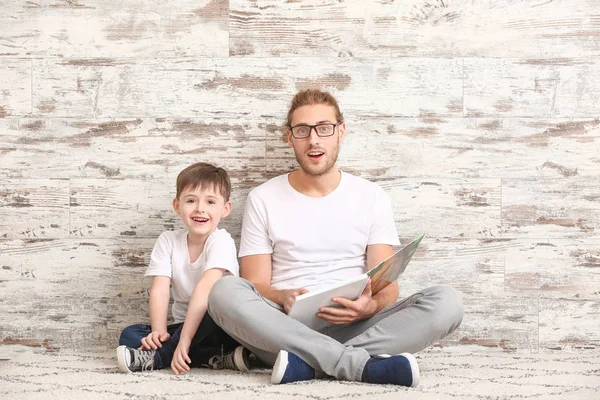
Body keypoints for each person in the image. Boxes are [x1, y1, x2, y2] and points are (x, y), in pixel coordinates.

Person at [207, 89, 464, 387]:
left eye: (324, 128)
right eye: (302, 130)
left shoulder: (371, 196)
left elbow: (387, 285)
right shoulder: (262, 198)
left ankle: (307, 365)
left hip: (357, 323)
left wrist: (371, 305)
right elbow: (256, 284)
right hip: (284, 325)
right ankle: (357, 365)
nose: (314, 139)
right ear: (290, 138)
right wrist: (283, 296)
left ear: (340, 132)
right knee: (224, 291)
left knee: (447, 303)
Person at [116, 162, 250, 374]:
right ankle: (211, 357)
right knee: (129, 334)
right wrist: (159, 332)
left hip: (217, 326)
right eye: (190, 200)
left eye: (210, 202)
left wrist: (185, 340)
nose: (200, 209)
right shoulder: (168, 240)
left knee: (212, 310)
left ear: (225, 209)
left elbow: (205, 290)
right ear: (177, 206)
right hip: (182, 327)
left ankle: (159, 358)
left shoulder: (221, 241)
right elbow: (160, 289)